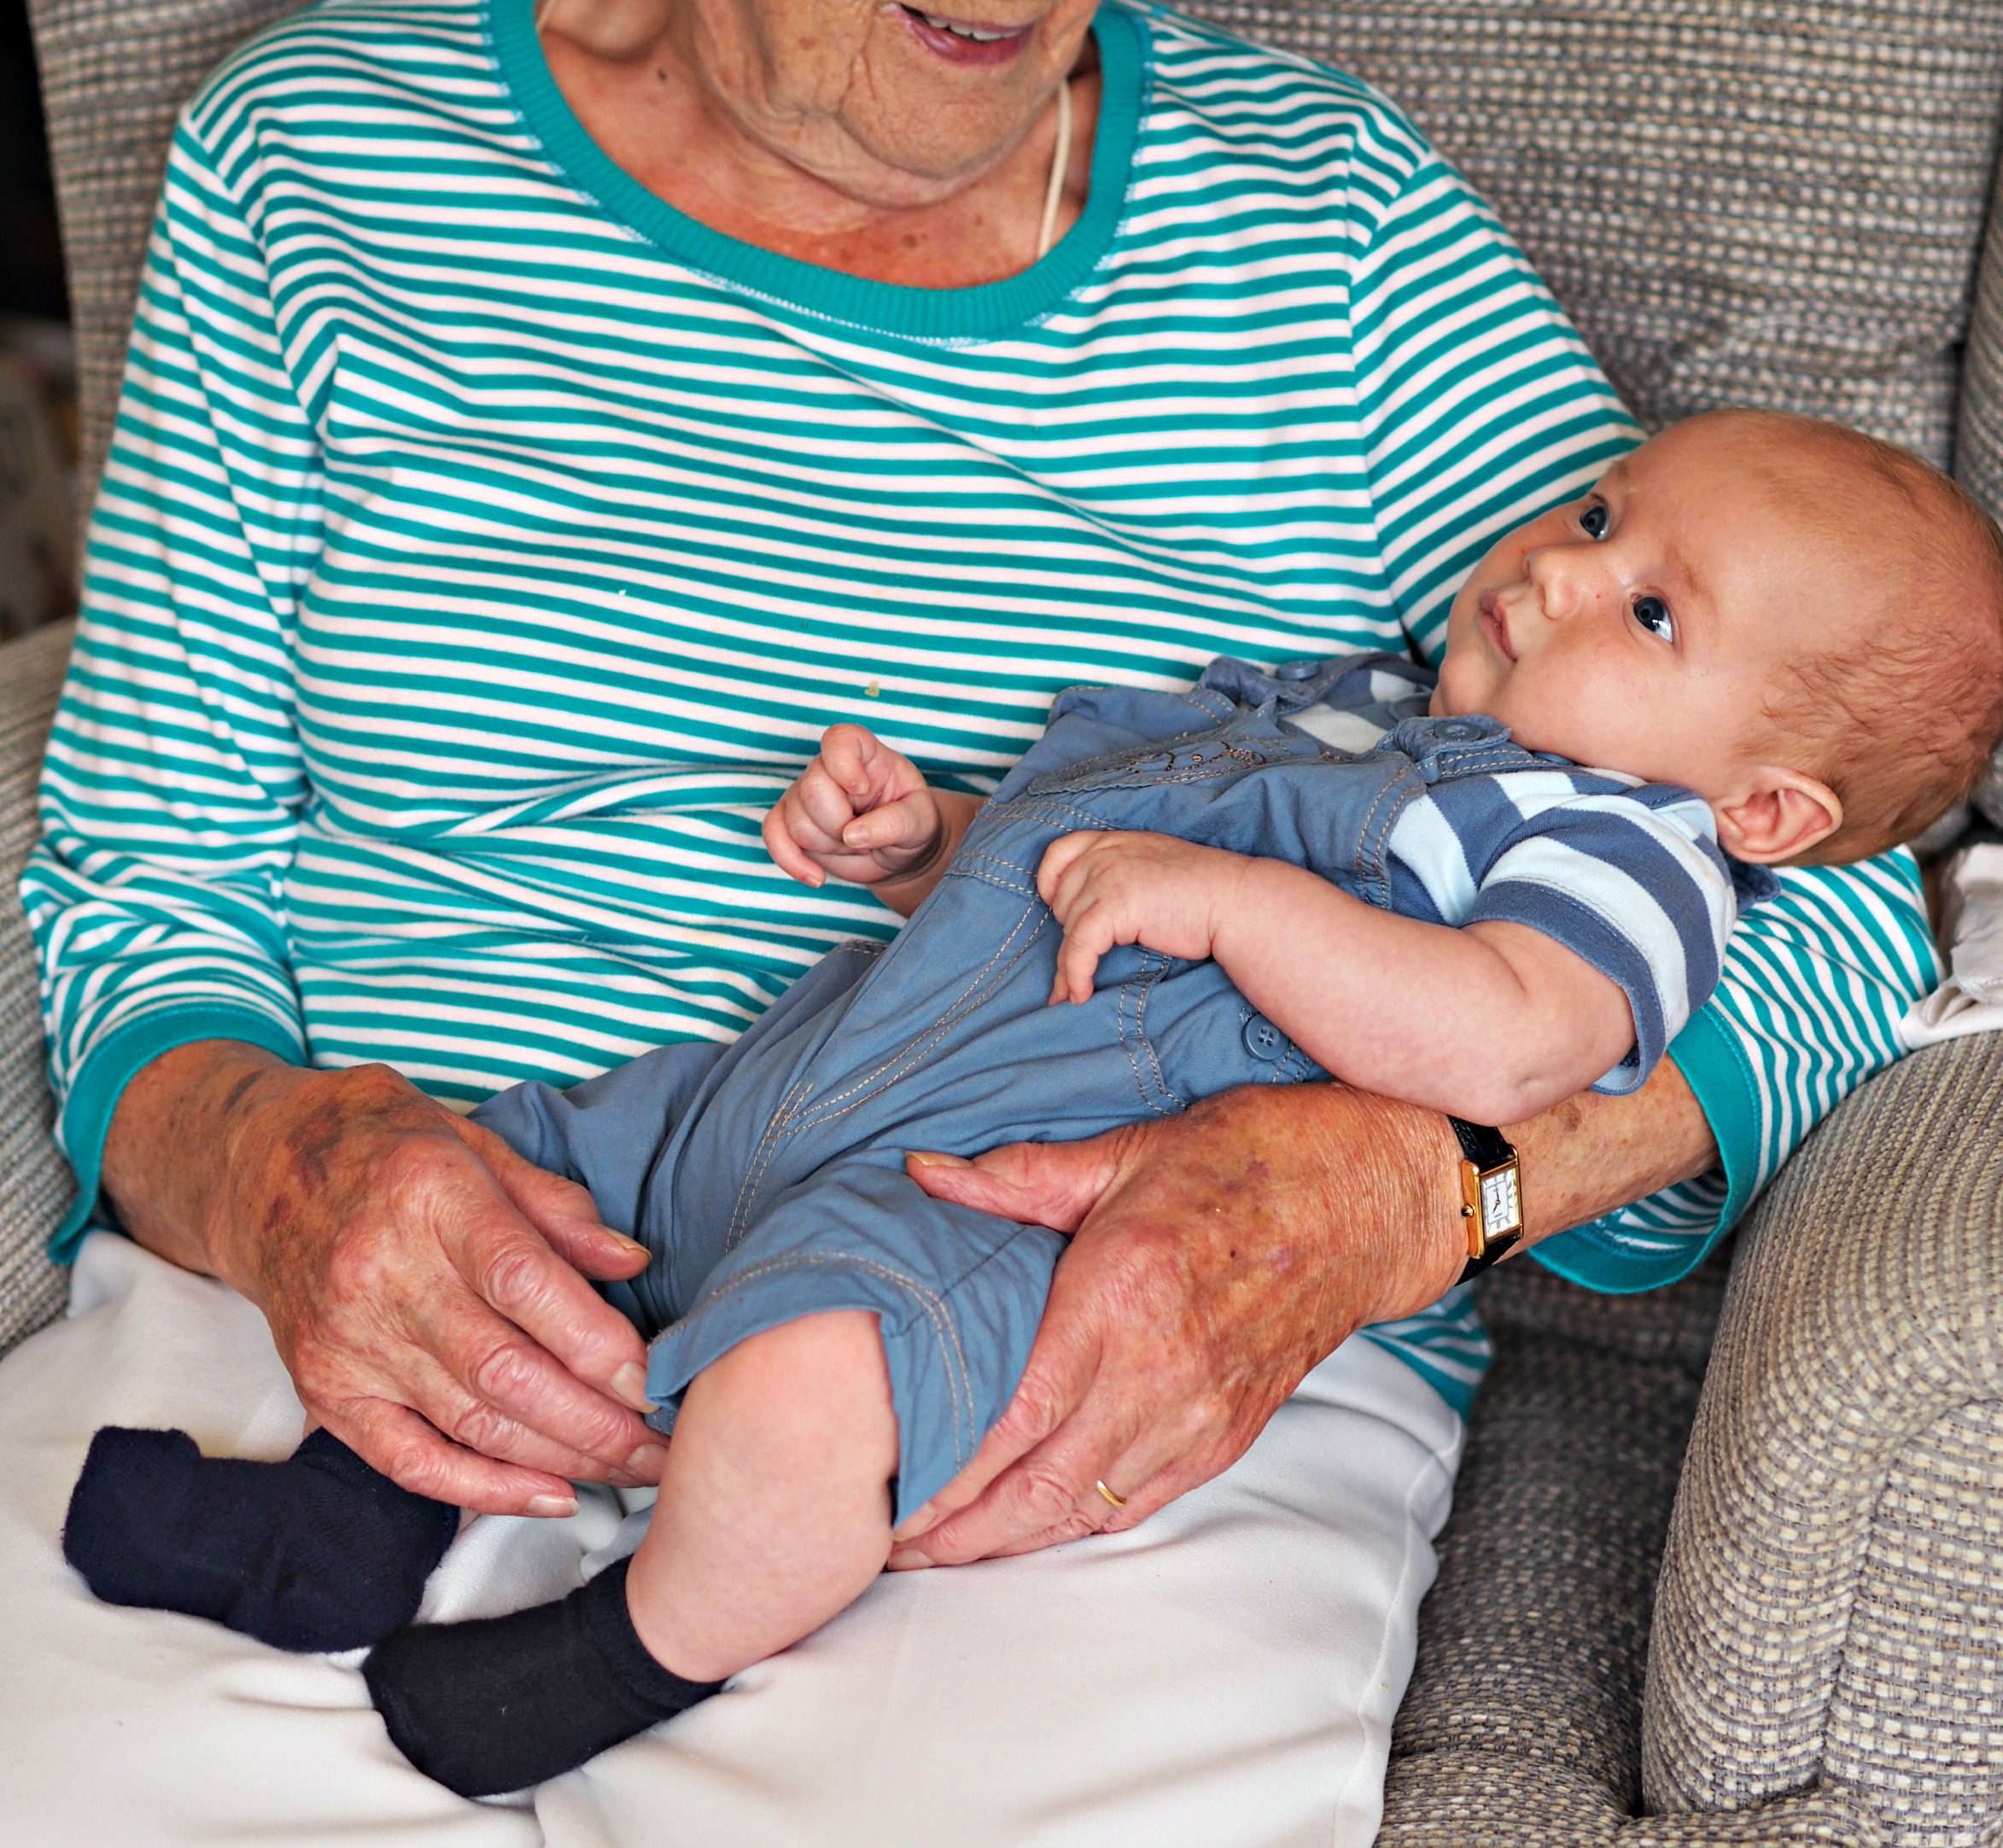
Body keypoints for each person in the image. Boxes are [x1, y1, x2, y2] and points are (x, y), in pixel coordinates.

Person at [0, 0, 1947, 1840]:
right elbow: (146, 868)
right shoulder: (314, 176)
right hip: (411, 1281)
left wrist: (1432, 1184)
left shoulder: (1330, 246)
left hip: (1059, 1308)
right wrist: (273, 1162)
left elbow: (1834, 863)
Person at [62, 410, 2003, 1804]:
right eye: (1597, 511)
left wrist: (1242, 906)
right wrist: (937, 854)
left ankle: (625, 1648)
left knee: (823, 1367)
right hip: (792, 1072)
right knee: (493, 1183)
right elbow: (1094, 863)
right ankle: (343, 1511)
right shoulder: (1364, 709)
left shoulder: (1624, 850)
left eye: (1652, 611)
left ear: (1766, 810)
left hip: (990, 1189)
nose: (1564, 563)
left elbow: (1508, 1046)